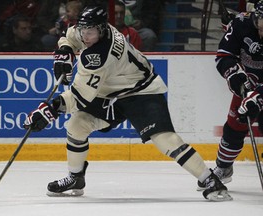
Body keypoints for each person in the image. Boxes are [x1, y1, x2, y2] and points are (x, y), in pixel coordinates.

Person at [23, 5, 232, 201]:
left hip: (141, 90)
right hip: (111, 92)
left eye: (90, 32)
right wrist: (65, 50)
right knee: (77, 125)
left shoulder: (99, 57)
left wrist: (51, 109)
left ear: (102, 29)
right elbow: (71, 35)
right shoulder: (96, 30)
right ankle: (76, 177)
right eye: (83, 30)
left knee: (164, 138)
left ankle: (209, 178)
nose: (85, 36)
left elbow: (79, 97)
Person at [198, 0, 263, 189]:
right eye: (261, 26)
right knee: (235, 125)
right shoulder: (241, 25)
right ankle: (224, 168)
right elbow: (224, 57)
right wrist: (235, 77)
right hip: (248, 85)